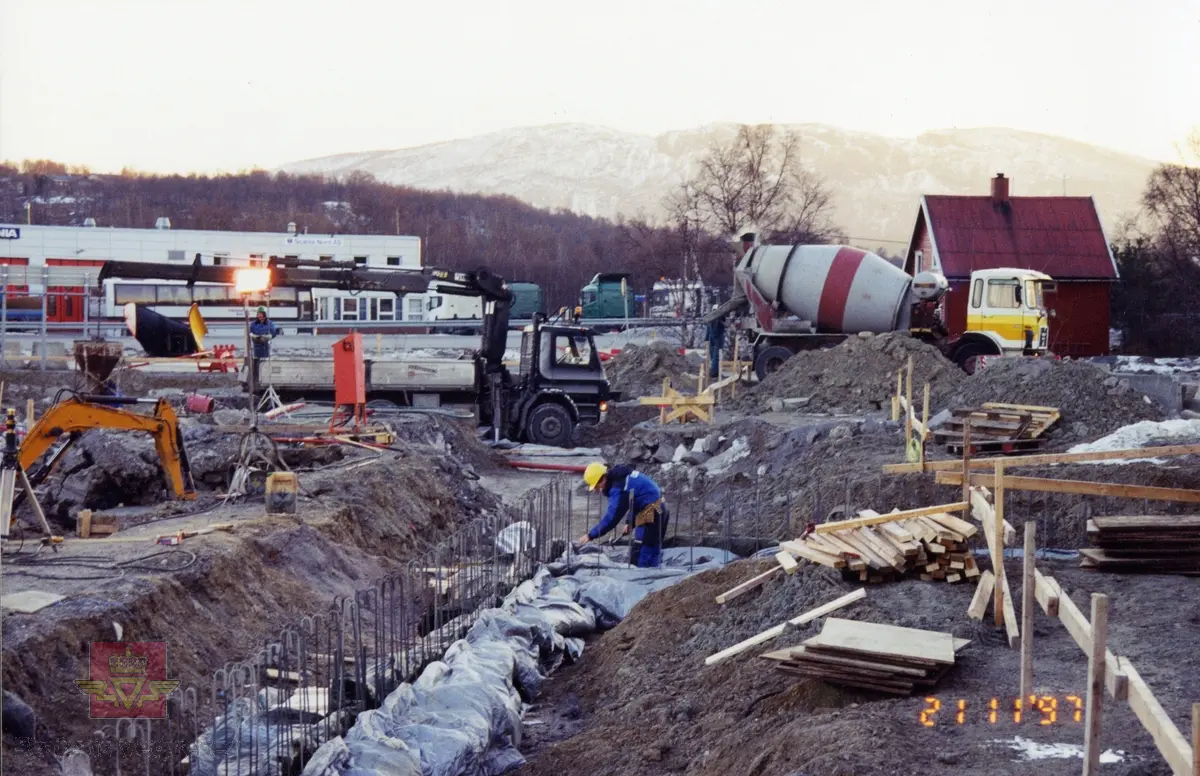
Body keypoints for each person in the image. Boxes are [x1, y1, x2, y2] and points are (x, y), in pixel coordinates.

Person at [577, 462, 670, 568]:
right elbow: (636, 498)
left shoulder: (618, 488)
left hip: (652, 510)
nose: (595, 490)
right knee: (652, 548)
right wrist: (629, 522)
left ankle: (644, 578)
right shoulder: (622, 477)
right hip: (659, 506)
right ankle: (652, 573)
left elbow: (612, 518)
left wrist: (591, 535)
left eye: (596, 486)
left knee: (644, 549)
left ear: (603, 479)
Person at [705, 310, 727, 379]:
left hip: (711, 338)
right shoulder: (720, 319)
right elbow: (725, 325)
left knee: (713, 356)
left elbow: (708, 331)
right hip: (718, 338)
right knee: (716, 356)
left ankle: (714, 371)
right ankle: (714, 373)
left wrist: (706, 339)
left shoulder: (710, 319)